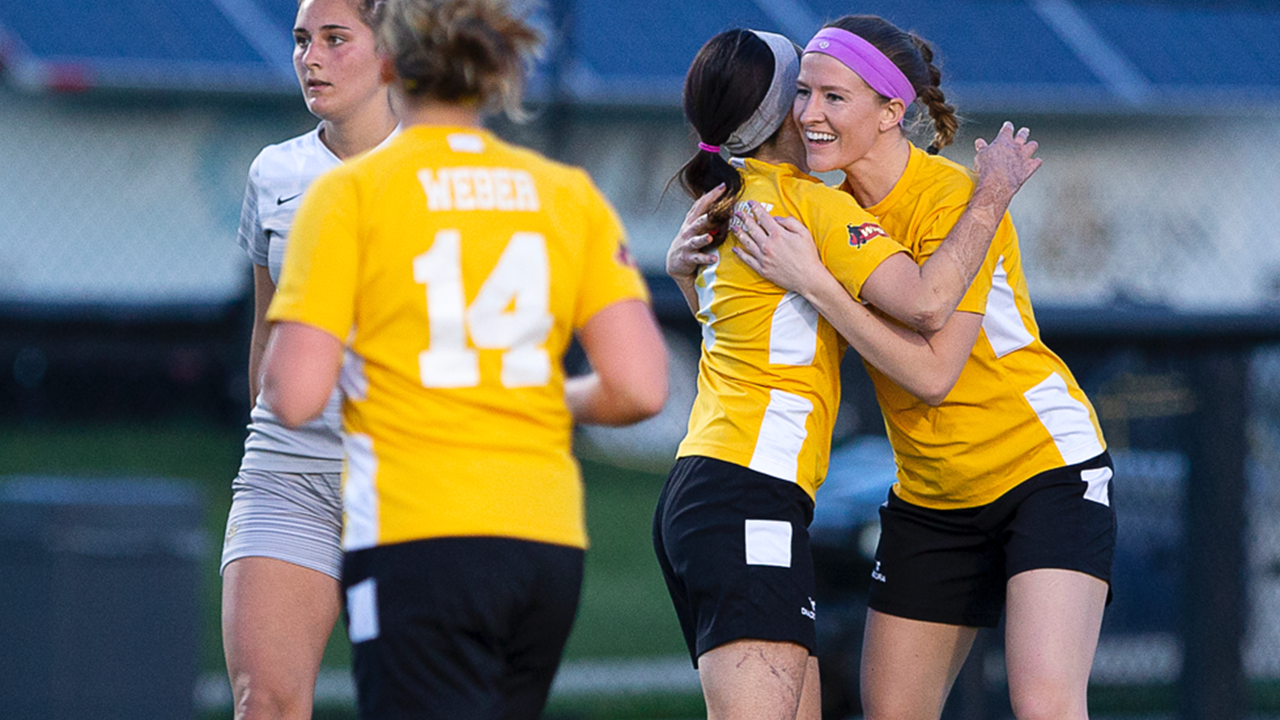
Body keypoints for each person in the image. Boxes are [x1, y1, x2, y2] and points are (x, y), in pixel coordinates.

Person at [258, 0, 668, 717]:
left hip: (420, 533)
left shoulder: (350, 193)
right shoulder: (566, 195)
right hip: (544, 543)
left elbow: (293, 395)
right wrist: (533, 396)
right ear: (493, 73)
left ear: (388, 62)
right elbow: (639, 387)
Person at [730, 15, 1114, 720]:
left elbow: (935, 371)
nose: (809, 114)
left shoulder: (952, 199)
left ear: (890, 113)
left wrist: (817, 283)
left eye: (834, 98)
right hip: (932, 494)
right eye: (803, 94)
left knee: (1045, 703)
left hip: (1043, 470)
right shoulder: (825, 207)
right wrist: (680, 259)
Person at [654, 28, 1041, 720]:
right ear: (777, 115)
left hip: (717, 489)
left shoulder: (729, 199)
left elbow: (741, 329)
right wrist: (993, 194)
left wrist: (680, 277)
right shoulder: (810, 205)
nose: (814, 112)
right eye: (802, 91)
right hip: (746, 491)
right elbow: (926, 300)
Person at [220, 1, 397, 717]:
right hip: (287, 472)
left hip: (409, 483)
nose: (310, 58)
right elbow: (269, 328)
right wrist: (268, 429)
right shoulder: (276, 171)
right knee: (265, 700)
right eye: (300, 41)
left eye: (333, 39)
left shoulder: (444, 172)